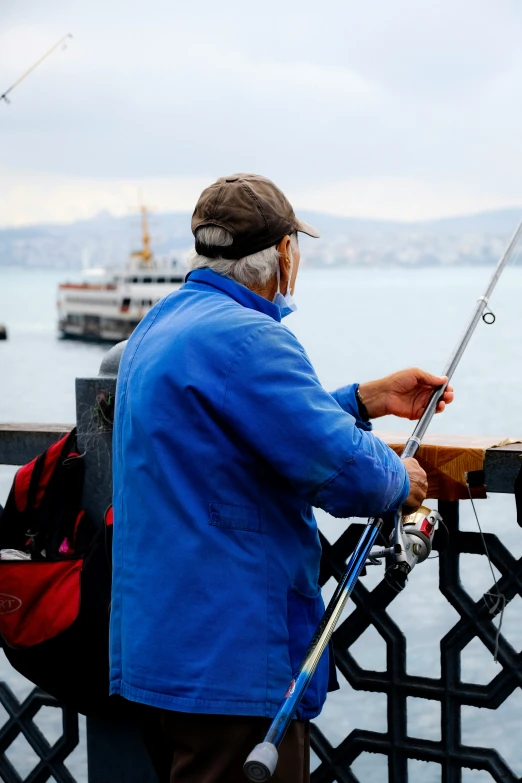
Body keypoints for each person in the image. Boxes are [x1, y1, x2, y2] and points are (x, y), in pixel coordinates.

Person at [110, 173, 454, 782]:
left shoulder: (162, 325)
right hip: (232, 655)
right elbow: (351, 475)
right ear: (284, 254)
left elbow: (242, 426)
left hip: (163, 644)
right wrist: (401, 479)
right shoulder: (249, 339)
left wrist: (361, 399)